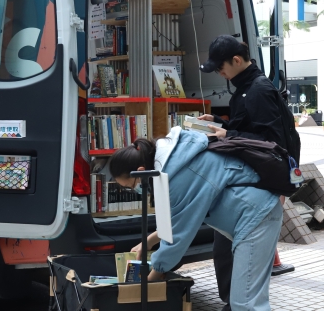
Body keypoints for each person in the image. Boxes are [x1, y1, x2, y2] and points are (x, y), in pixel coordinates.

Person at [109, 132, 283, 311]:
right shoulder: (174, 161)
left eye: (132, 185)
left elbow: (178, 236)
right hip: (254, 215)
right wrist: (149, 242)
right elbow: (180, 217)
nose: (137, 190)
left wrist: (147, 281)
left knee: (246, 303)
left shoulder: (176, 177)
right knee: (245, 301)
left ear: (140, 171)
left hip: (256, 217)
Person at [197, 35, 300, 310]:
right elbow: (251, 127)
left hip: (258, 185)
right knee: (227, 250)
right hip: (247, 182)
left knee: (236, 253)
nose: (220, 74)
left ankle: (236, 303)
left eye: (221, 68)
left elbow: (270, 141)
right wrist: (218, 123)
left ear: (237, 61)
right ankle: (234, 302)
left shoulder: (258, 90)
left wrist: (227, 132)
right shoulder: (246, 88)